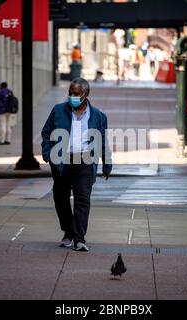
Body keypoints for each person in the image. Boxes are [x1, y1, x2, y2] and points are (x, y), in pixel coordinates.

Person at [41, 78, 112, 252]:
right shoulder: (58, 110)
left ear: (85, 94)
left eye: (76, 94)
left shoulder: (99, 116)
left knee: (82, 201)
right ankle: (68, 231)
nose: (72, 96)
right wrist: (48, 154)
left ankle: (79, 239)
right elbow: (46, 133)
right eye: (70, 93)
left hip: (85, 162)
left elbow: (103, 141)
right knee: (61, 199)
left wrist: (107, 163)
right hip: (62, 162)